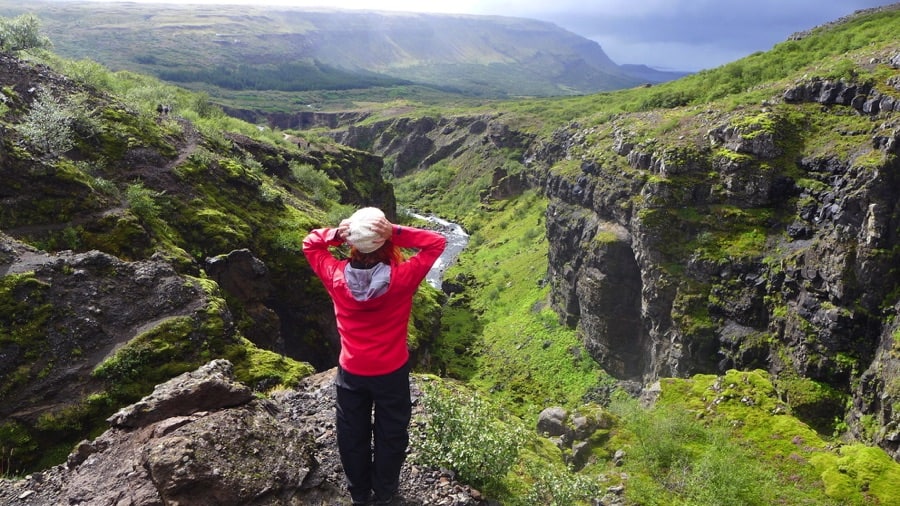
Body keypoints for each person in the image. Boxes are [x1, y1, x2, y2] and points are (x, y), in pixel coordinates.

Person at [302, 207, 446, 505]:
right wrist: (394, 230)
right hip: (391, 372)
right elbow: (436, 242)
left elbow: (309, 243)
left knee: (352, 434)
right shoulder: (403, 277)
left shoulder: (335, 276)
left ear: (353, 244)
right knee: (391, 433)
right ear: (386, 244)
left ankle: (359, 494)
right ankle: (385, 493)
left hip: (352, 372)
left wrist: (334, 234)